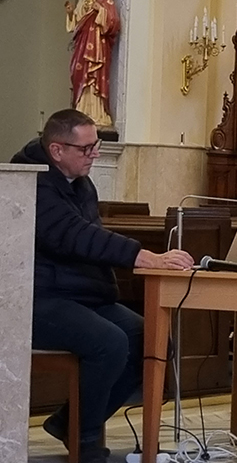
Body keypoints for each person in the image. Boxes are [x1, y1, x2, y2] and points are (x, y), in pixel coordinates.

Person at [11, 109, 193, 463]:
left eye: (96, 146)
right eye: (87, 148)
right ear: (56, 150)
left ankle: (69, 422)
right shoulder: (32, 183)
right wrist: (144, 256)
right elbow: (75, 236)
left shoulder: (80, 183)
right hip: (39, 298)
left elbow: (91, 239)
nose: (95, 154)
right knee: (109, 342)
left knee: (153, 339)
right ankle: (86, 439)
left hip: (81, 295)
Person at [65, 0, 120, 130]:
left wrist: (100, 10)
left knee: (95, 76)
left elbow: (114, 22)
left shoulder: (105, 0)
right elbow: (77, 24)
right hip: (83, 44)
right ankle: (82, 110)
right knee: (80, 72)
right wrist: (70, 14)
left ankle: (98, 113)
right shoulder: (83, 1)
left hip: (97, 44)